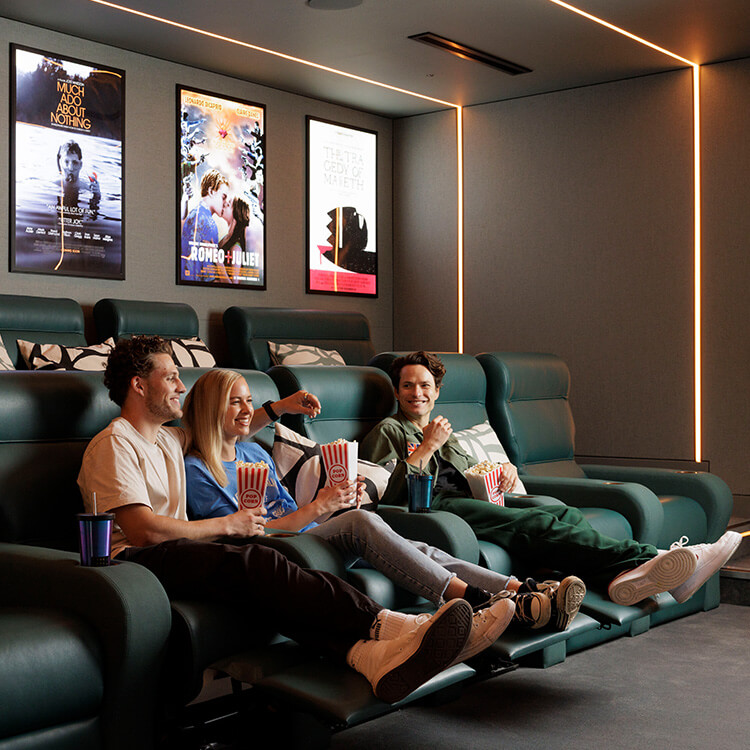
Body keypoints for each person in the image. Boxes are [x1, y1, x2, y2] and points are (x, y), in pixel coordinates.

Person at [77, 336, 513, 704]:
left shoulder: (168, 438)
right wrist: (228, 525)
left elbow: (228, 427)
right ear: (138, 385)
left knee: (269, 585)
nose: (179, 384)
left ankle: (369, 657)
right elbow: (144, 529)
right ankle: (397, 625)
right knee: (259, 564)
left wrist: (278, 406)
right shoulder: (114, 444)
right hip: (137, 562)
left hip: (181, 550)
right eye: (170, 376)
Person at [181, 368, 585, 630]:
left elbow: (290, 507)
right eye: (235, 401)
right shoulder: (198, 470)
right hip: (275, 549)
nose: (246, 410)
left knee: (416, 545)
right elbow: (246, 533)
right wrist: (319, 509)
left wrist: (330, 501)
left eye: (249, 401)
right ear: (209, 408)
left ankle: (520, 592)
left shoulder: (252, 452)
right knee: (362, 523)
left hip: (307, 530)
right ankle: (472, 600)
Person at [360, 351, 742, 607]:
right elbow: (385, 494)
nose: (417, 393)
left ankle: (617, 580)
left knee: (566, 515)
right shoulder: (389, 430)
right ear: (396, 391)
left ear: (437, 391)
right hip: (438, 511)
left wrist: (502, 473)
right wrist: (426, 447)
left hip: (479, 502)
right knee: (541, 521)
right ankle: (655, 559)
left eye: (425, 385)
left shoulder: (449, 433)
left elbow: (473, 477)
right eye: (408, 385)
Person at [180, 168, 230, 282]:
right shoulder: (209, 224)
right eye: (223, 197)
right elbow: (209, 277)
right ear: (211, 191)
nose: (225, 202)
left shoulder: (194, 214)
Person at [216, 196, 263, 285]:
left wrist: (218, 263)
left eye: (228, 205)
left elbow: (234, 285)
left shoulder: (236, 248)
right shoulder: (226, 238)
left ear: (236, 213)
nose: (224, 204)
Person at [57, 139, 101, 210]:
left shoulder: (87, 189)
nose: (70, 168)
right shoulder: (54, 184)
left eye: (75, 162)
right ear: (61, 163)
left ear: (81, 165)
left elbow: (94, 212)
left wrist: (97, 195)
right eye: (66, 162)